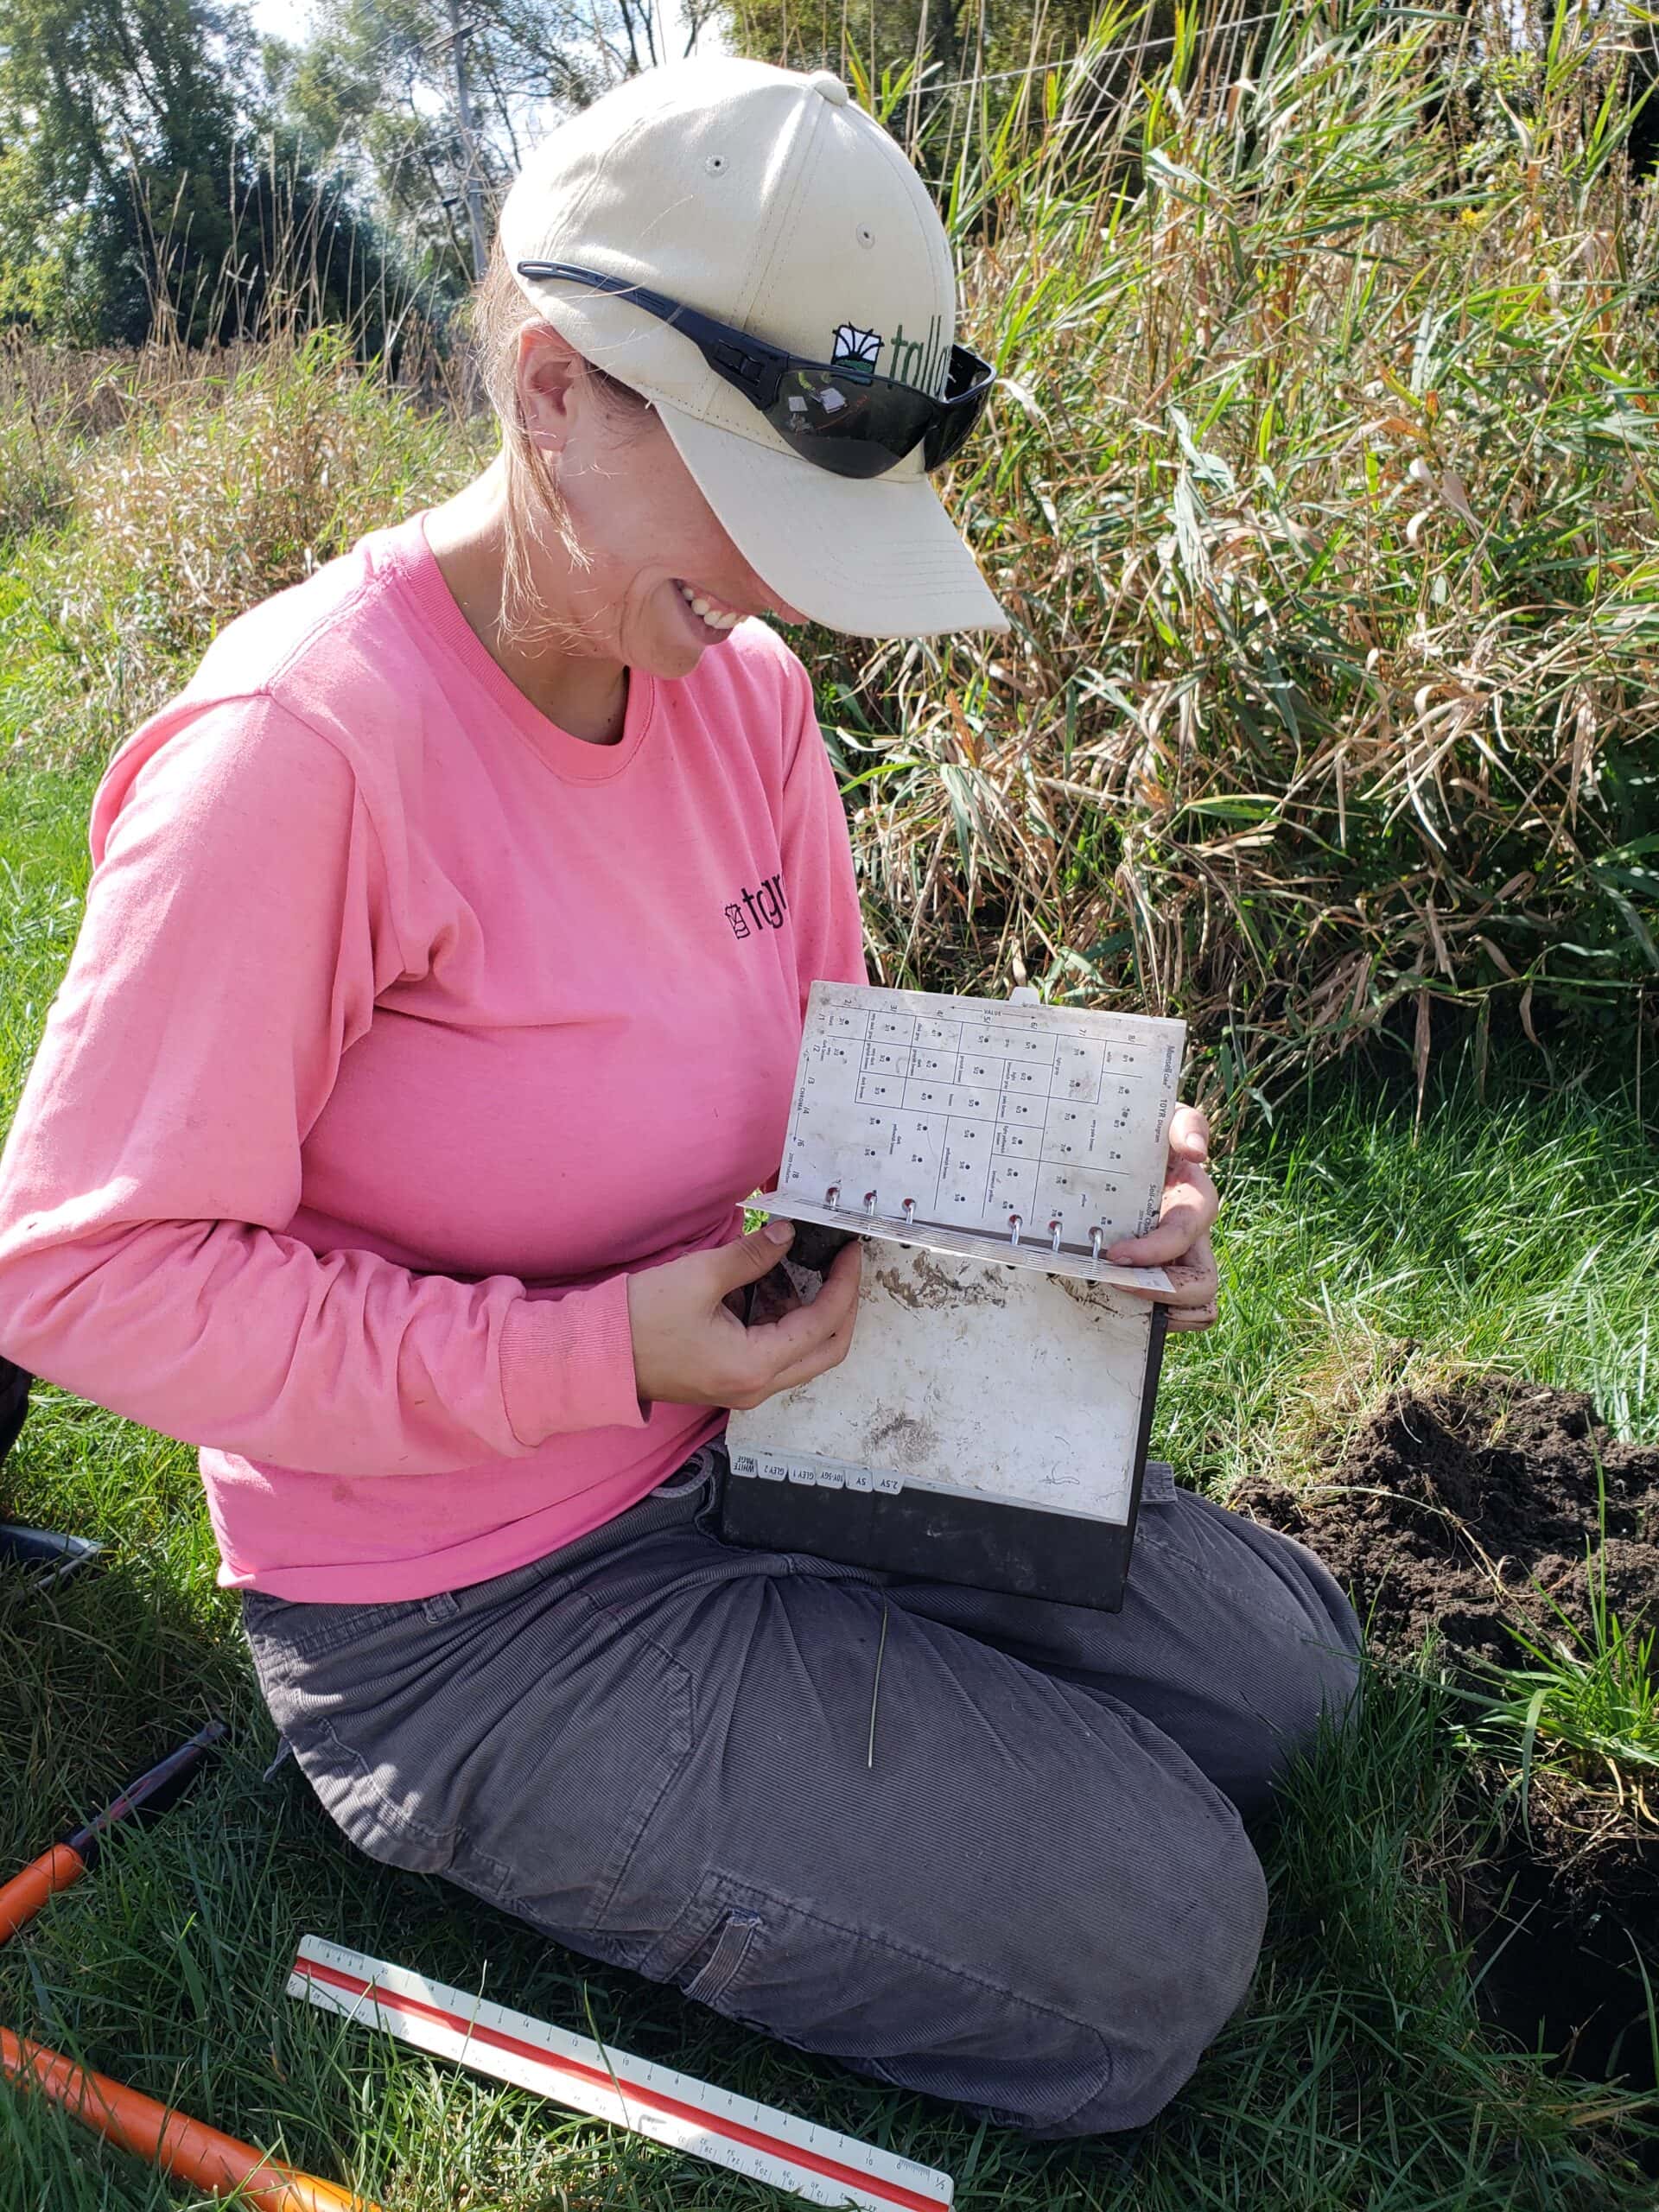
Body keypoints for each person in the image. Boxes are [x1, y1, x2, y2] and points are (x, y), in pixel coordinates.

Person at [0, 58, 1359, 2138]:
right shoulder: (302, 752)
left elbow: (823, 1075)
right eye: (756, 506)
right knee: (1165, 1937)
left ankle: (856, 1662)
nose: (797, 588)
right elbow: (83, 1278)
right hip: (469, 1603)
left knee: (1297, 1683)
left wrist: (1074, 1199)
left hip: (766, 1428)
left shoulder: (748, 696)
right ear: (553, 388)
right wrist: (593, 1352)